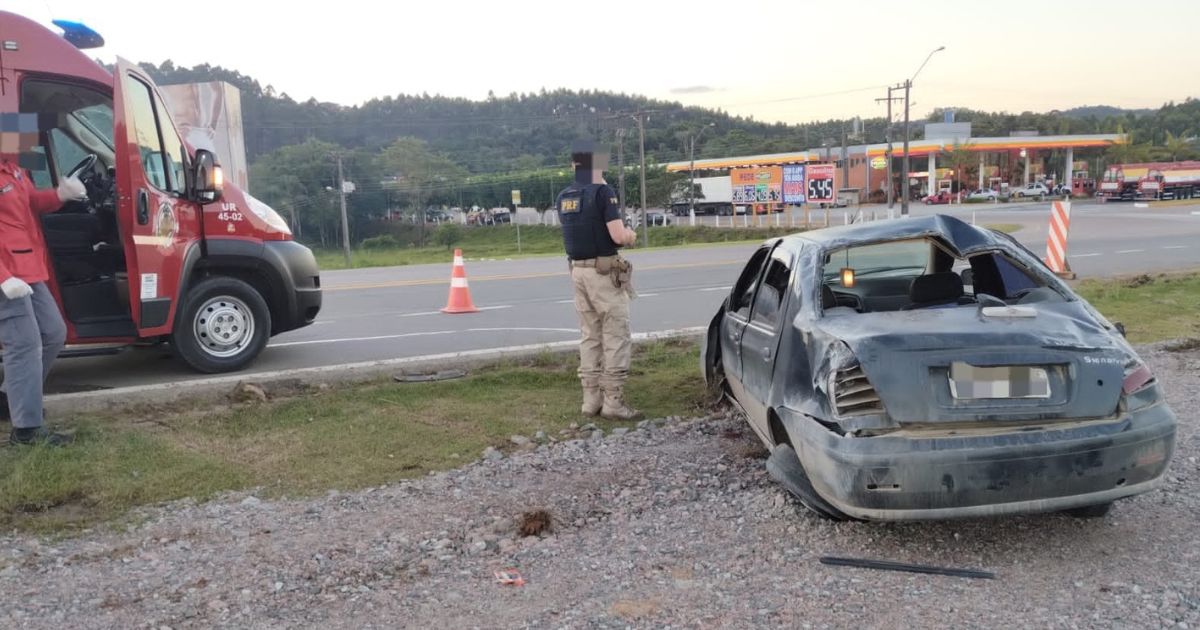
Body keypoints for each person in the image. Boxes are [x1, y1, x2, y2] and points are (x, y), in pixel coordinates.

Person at [0, 113, 87, 446]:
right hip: (7, 276)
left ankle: (10, 398)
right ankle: (26, 431)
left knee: (53, 332)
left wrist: (60, 194)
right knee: (24, 344)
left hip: (29, 270)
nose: (26, 140)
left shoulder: (15, 169)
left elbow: (31, 203)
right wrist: (4, 278)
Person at [555, 141, 640, 420]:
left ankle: (590, 400)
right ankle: (613, 401)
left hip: (577, 271)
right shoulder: (603, 192)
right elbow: (617, 236)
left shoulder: (564, 196)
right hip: (603, 273)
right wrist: (630, 234)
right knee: (615, 333)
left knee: (589, 336)